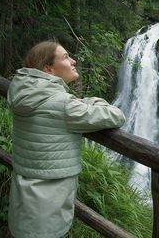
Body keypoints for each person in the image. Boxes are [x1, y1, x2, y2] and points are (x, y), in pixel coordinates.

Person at [7, 41, 125, 238]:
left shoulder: (22, 92)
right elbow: (116, 115)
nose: (73, 61)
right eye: (65, 57)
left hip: (24, 198)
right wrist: (90, 101)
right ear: (49, 69)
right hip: (49, 206)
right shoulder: (65, 106)